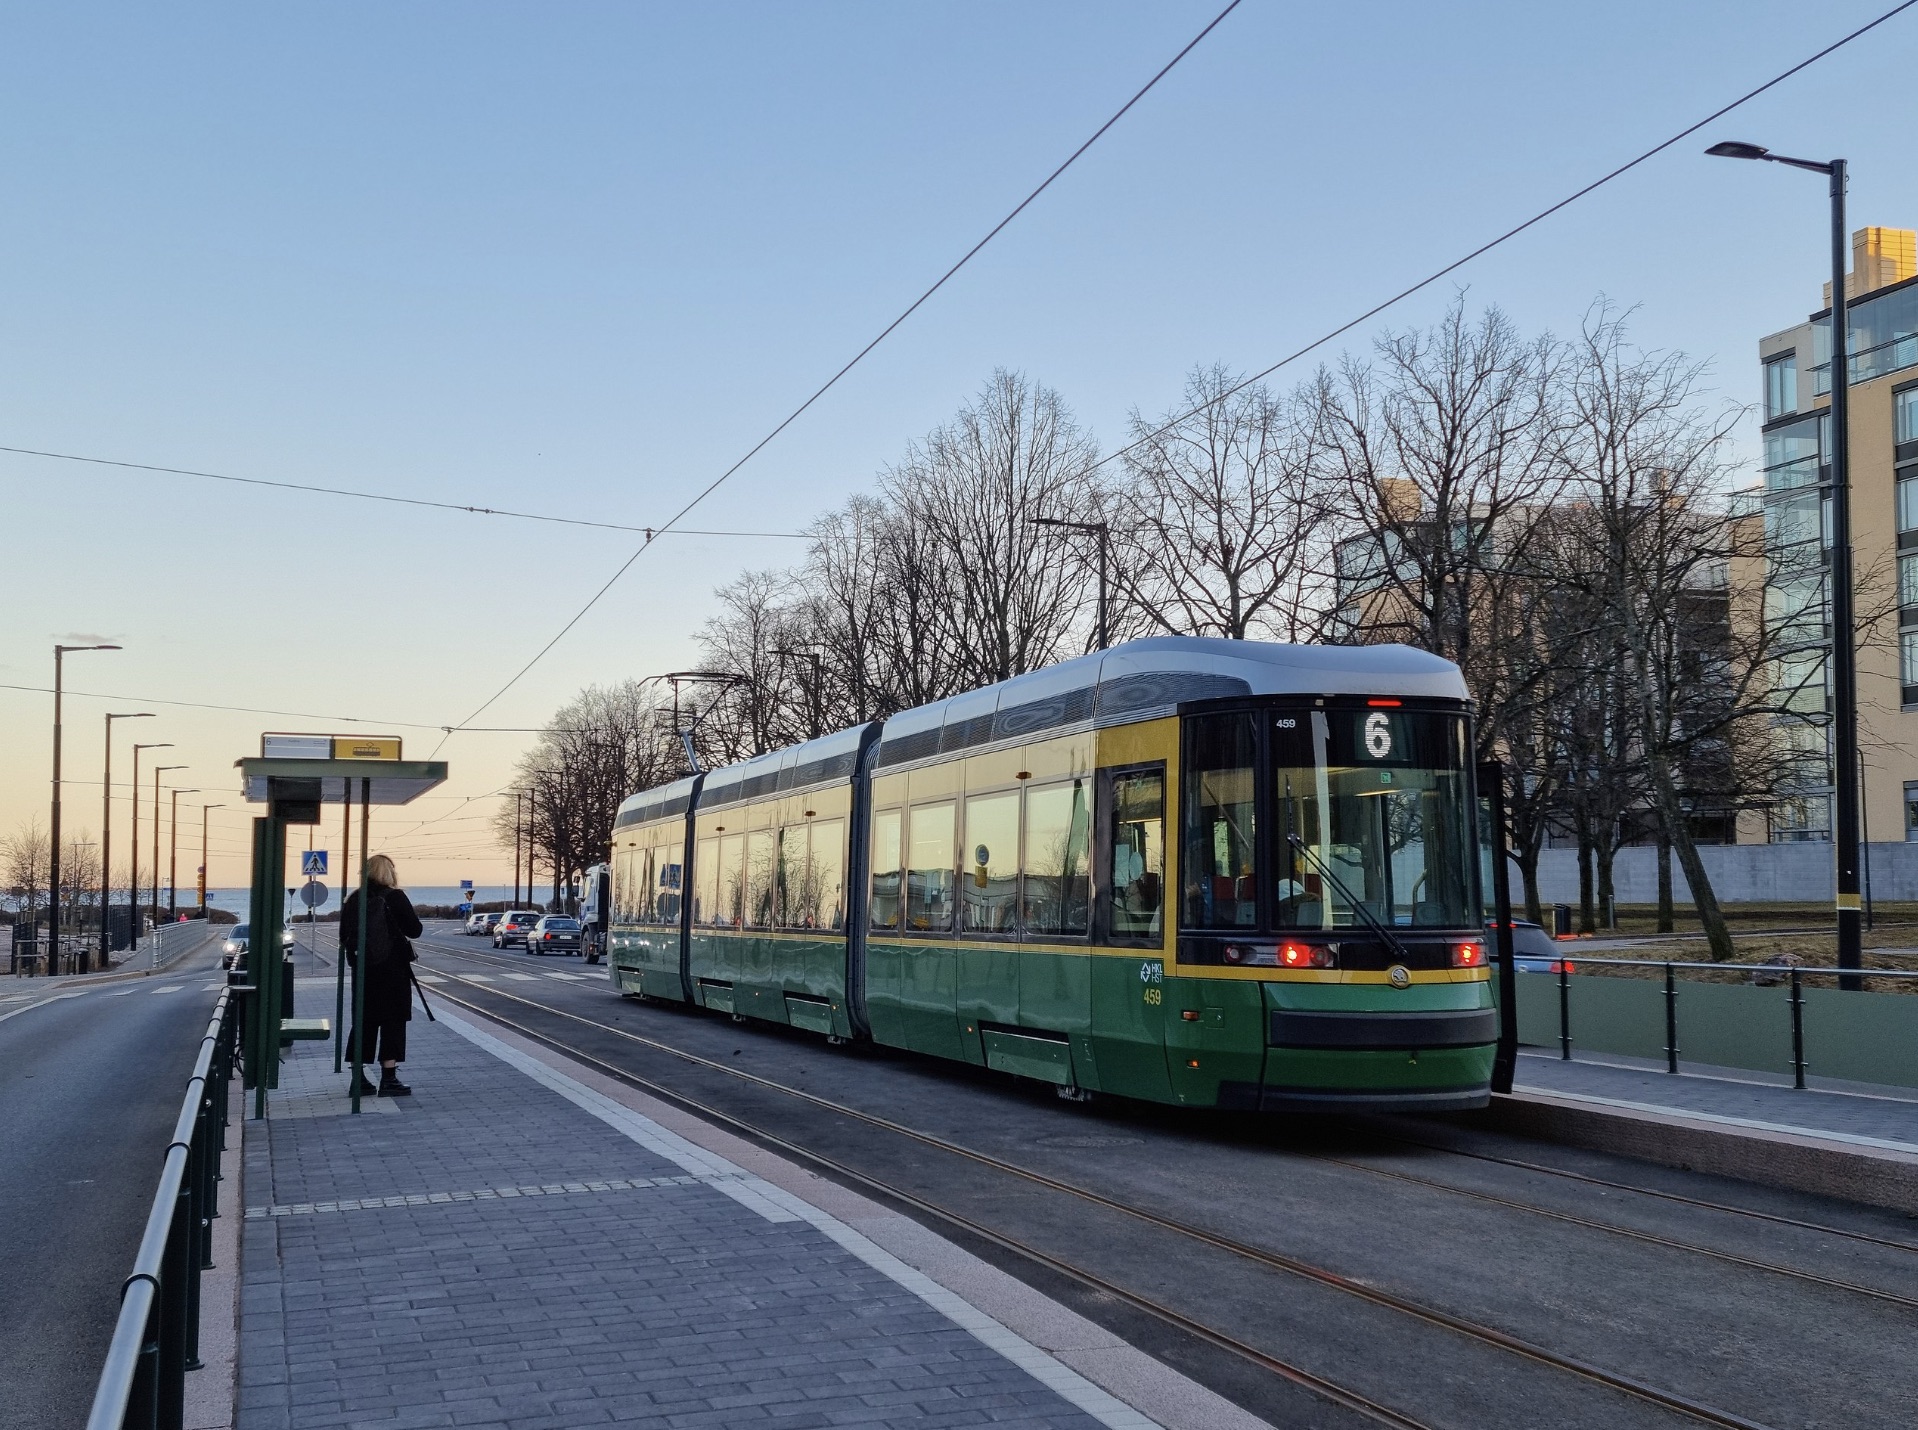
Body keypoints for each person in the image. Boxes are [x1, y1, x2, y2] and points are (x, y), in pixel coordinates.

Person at [338, 854, 424, 1097]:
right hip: (392, 970)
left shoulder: (354, 899)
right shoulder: (395, 897)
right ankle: (389, 1078)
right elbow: (415, 930)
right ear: (390, 872)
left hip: (363, 970)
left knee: (363, 1021)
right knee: (393, 1021)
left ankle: (358, 1079)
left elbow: (344, 935)